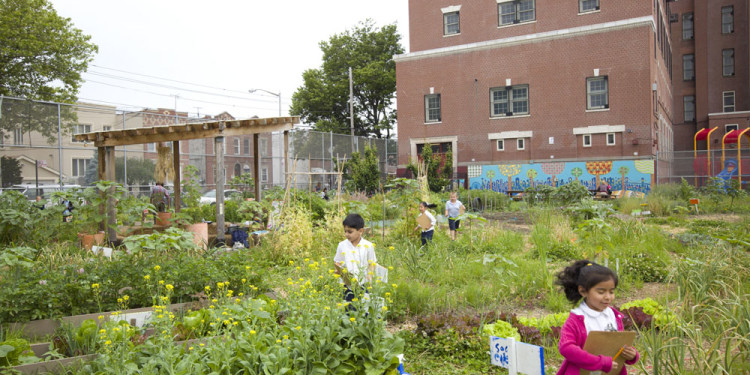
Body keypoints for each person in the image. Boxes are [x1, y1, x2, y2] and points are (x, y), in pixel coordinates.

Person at [555, 260, 639, 375]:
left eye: (611, 292)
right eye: (601, 292)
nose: (608, 297)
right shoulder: (577, 319)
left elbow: (619, 344)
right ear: (583, 291)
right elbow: (566, 348)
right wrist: (600, 362)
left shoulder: (613, 315)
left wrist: (631, 354)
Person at [333, 213, 376, 311]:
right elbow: (337, 262)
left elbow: (371, 264)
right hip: (347, 285)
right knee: (349, 310)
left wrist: (369, 279)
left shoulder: (368, 246)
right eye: (345, 231)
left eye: (350, 232)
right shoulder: (342, 245)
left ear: (360, 231)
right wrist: (338, 270)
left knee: (364, 311)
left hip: (363, 284)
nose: (346, 234)